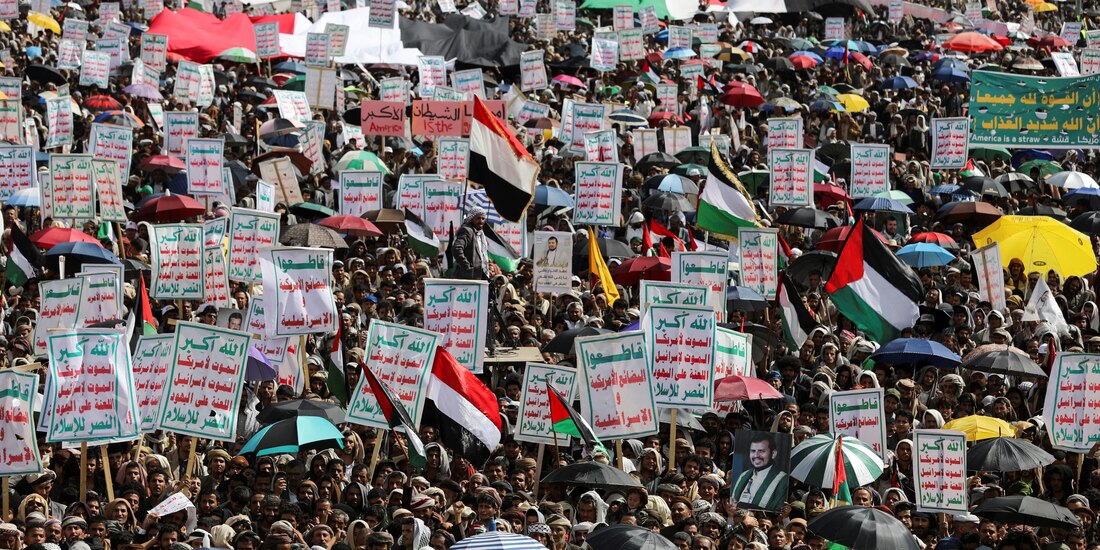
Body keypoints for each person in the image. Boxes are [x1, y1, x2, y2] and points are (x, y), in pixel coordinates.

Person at [730, 432, 790, 511]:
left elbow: (776, 511)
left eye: (761, 451)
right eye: (753, 451)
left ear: (773, 454)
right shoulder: (743, 475)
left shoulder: (782, 480)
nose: (756, 455)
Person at [451, 208, 491, 281]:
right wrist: (467, 267)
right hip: (467, 278)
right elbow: (457, 248)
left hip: (477, 276)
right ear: (471, 218)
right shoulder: (467, 230)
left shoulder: (480, 233)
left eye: (483, 218)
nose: (481, 221)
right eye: (478, 218)